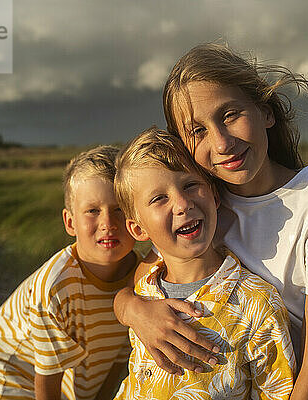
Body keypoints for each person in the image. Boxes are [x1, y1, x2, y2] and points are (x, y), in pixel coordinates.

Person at [114, 44, 308, 400]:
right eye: (198, 130)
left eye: (230, 114)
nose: (221, 142)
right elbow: (147, 276)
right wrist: (134, 310)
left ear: (265, 112)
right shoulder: (204, 200)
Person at [112, 128, 295, 399]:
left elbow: (275, 393)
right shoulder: (145, 292)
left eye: (190, 185)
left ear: (214, 196)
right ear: (138, 229)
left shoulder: (258, 304)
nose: (183, 204)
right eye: (159, 198)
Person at [0, 146, 140, 400]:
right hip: (19, 367)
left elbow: (118, 357)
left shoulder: (141, 275)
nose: (108, 223)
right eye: (93, 211)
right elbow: (47, 380)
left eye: (119, 208)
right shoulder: (56, 287)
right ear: (70, 222)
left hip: (80, 355)